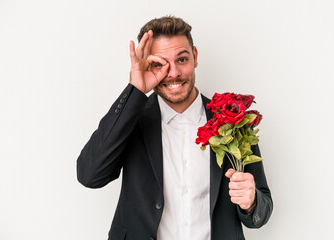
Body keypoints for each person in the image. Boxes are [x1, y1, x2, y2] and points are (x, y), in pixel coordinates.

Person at [77, 16, 273, 240]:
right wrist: (135, 90)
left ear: (195, 56)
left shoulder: (232, 121)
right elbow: (89, 175)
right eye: (159, 64)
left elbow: (262, 209)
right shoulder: (131, 119)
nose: (173, 74)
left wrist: (251, 202)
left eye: (181, 59)